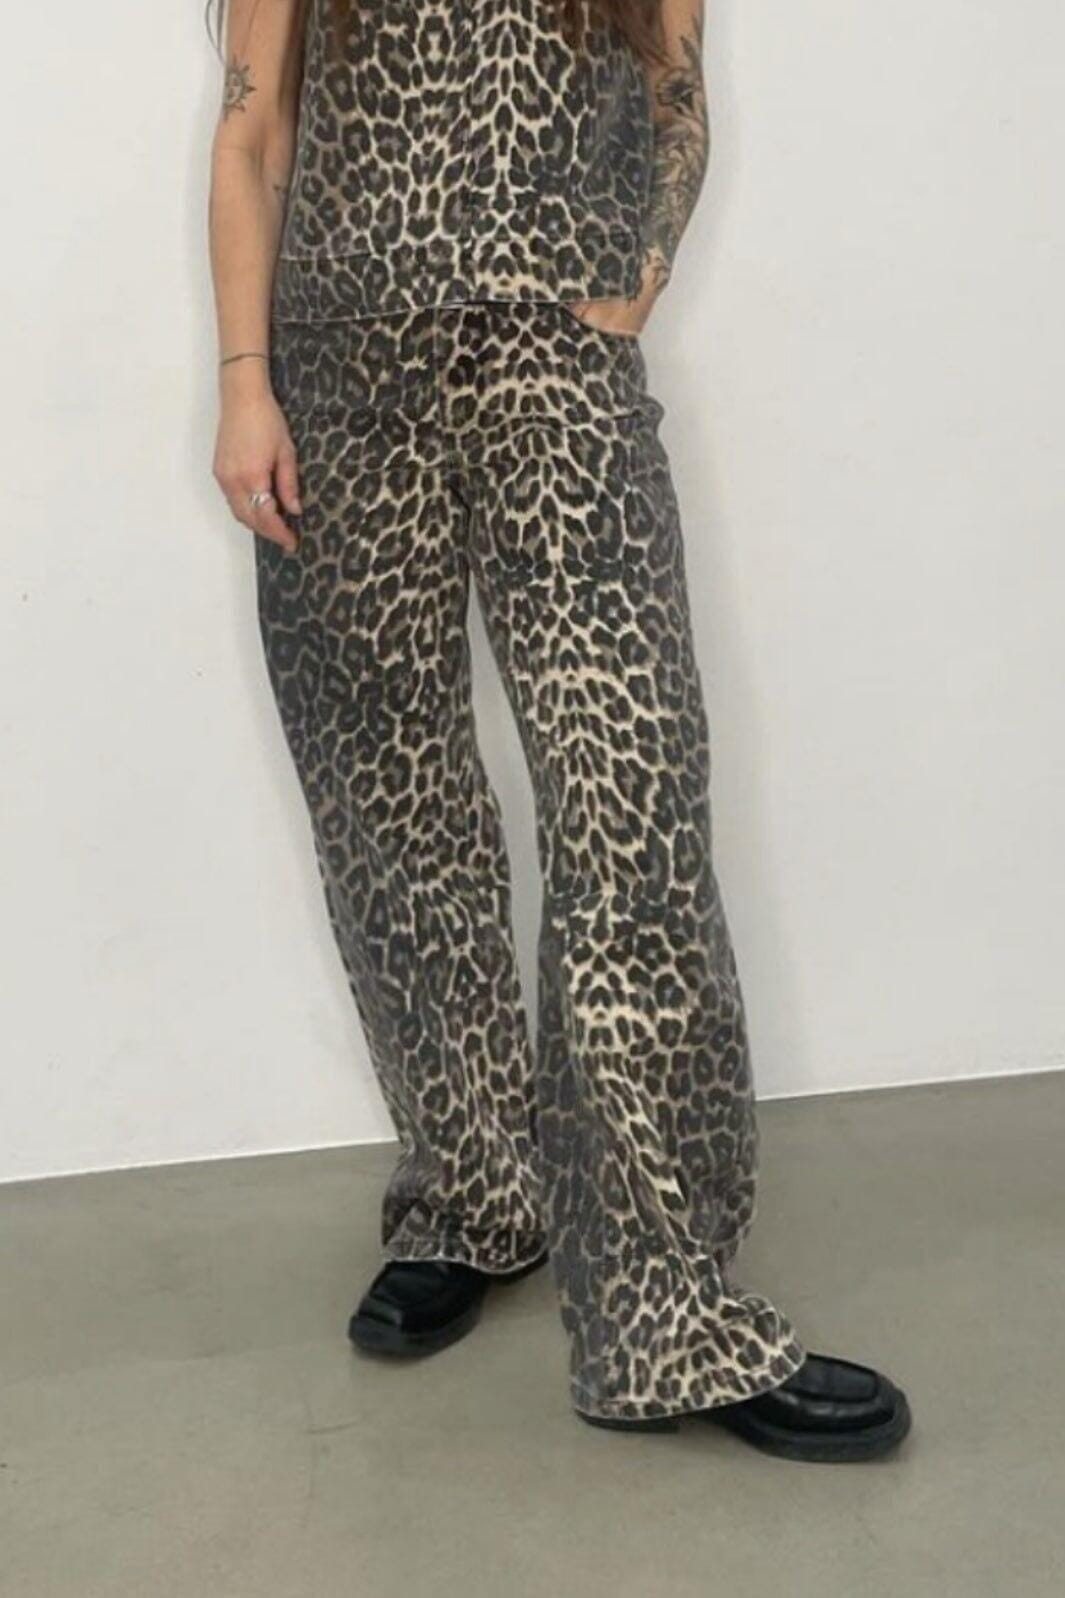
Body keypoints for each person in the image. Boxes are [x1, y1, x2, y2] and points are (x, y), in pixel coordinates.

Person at [207, 0, 911, 1462]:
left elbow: (672, 86)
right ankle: (475, 1196)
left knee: (626, 807)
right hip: (340, 380)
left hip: (553, 368)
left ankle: (666, 1313)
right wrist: (246, 383)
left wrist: (629, 284)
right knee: (391, 808)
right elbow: (252, 132)